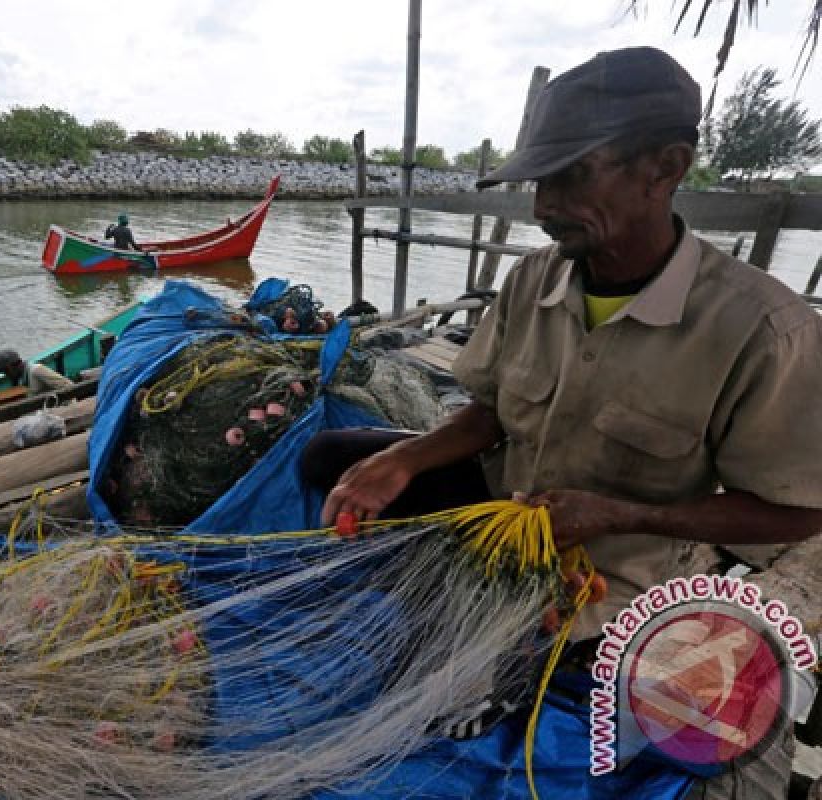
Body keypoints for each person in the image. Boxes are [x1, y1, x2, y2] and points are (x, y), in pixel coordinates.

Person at [308, 46, 822, 798]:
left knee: (497, 707)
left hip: (613, 580)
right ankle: (425, 597)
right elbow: (489, 413)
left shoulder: (762, 331)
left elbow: (802, 511)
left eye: (572, 176)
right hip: (506, 518)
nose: (543, 206)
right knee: (333, 457)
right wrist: (409, 458)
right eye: (538, 181)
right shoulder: (533, 277)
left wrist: (620, 513)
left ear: (666, 168)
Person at [0, 349, 75, 394]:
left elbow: (69, 386)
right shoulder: (21, 379)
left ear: (15, 365)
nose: (6, 375)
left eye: (6, 371)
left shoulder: (36, 370)